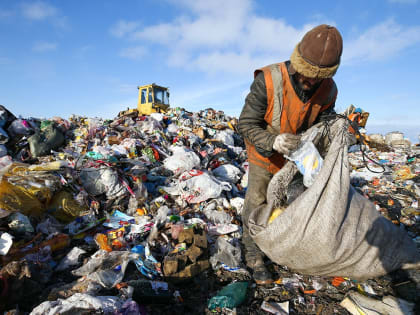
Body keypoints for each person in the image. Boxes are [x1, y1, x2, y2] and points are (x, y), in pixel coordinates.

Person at [238, 24, 343, 284]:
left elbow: (325, 121)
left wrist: (336, 131)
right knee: (257, 201)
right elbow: (246, 123)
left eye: (316, 79)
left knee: (293, 203)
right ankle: (252, 254)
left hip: (298, 157)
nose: (310, 83)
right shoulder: (269, 80)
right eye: (306, 75)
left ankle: (282, 245)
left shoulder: (329, 89)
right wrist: (274, 141)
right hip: (265, 153)